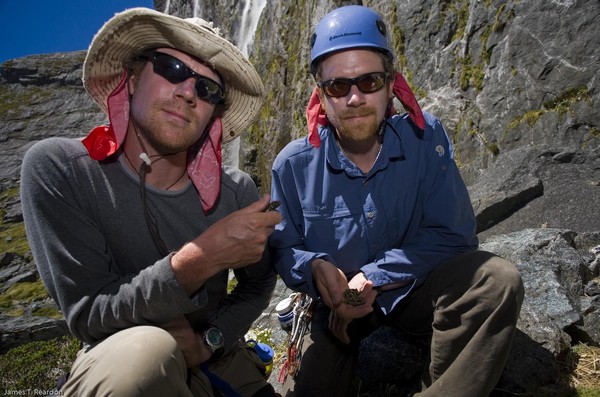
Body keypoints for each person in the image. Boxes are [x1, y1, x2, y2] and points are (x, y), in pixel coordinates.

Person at [20, 8, 282, 397]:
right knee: (147, 355)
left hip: (218, 361)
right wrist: (202, 259)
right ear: (131, 77)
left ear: (214, 115)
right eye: (172, 68)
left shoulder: (236, 193)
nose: (188, 92)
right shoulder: (62, 170)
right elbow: (88, 313)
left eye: (208, 89)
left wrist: (209, 341)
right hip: (119, 358)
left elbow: (258, 284)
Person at [269, 5, 524, 397]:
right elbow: (285, 247)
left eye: (369, 81)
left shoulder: (426, 141)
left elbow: (454, 236)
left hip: (414, 291)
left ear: (391, 84)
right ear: (321, 94)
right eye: (338, 86)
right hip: (335, 310)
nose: (354, 98)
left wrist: (375, 276)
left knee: (495, 280)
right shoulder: (293, 166)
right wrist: (314, 267)